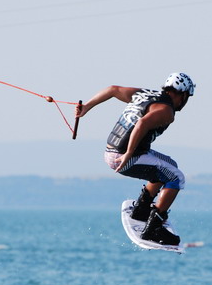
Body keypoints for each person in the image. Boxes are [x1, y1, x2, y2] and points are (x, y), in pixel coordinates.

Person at [75, 72, 195, 246]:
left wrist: (87, 107)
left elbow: (113, 89)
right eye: (187, 98)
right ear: (182, 94)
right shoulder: (166, 111)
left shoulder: (145, 94)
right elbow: (142, 124)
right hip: (125, 157)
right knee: (176, 177)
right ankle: (153, 229)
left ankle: (141, 210)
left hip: (113, 151)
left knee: (170, 167)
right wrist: (129, 153)